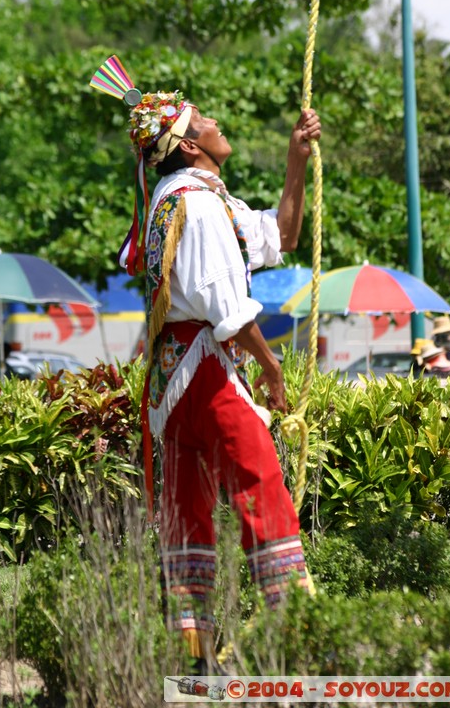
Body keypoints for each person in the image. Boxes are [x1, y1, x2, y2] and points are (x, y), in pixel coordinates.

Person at [90, 58, 321, 672]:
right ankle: (295, 638)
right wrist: (271, 369)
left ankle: (190, 654)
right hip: (208, 373)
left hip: (173, 384)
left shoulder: (184, 198)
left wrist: (296, 161)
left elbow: (284, 234)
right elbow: (228, 308)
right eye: (205, 118)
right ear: (192, 145)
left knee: (188, 512)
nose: (218, 121)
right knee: (262, 488)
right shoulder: (197, 202)